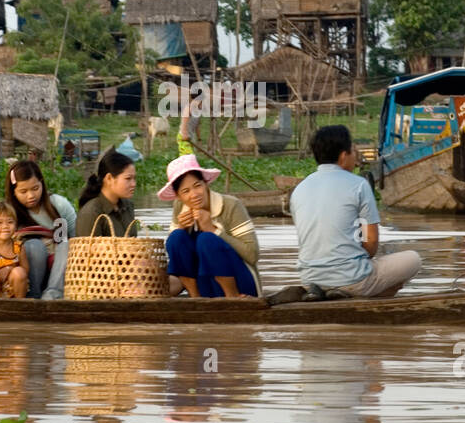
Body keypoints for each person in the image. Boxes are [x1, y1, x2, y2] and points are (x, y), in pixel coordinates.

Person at [290, 124, 422, 299]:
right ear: (343, 156)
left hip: (309, 279)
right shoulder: (359, 185)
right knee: (413, 259)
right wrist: (351, 258)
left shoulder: (299, 189)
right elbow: (371, 244)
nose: (355, 155)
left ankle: (330, 290)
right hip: (352, 278)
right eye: (353, 150)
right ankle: (360, 298)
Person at [0, 160, 77, 298]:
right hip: (25, 273)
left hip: (57, 268)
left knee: (67, 244)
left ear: (42, 183)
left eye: (35, 188)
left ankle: (52, 295)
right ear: (13, 191)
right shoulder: (8, 213)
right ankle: (33, 296)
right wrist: (1, 265)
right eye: (23, 191)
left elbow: (77, 237)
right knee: (34, 246)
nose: (31, 195)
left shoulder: (58, 205)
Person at [160, 153, 259, 298]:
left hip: (242, 285)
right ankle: (195, 297)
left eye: (197, 186)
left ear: (206, 184)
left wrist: (213, 230)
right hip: (205, 286)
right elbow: (176, 253)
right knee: (176, 238)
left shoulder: (231, 205)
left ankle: (232, 297)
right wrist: (181, 227)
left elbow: (252, 255)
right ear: (178, 196)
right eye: (185, 191)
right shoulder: (180, 207)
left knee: (206, 239)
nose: (194, 195)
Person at [75, 149, 139, 238]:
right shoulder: (91, 212)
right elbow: (88, 250)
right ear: (109, 178)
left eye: (134, 178)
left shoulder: (127, 206)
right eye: (128, 179)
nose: (133, 184)